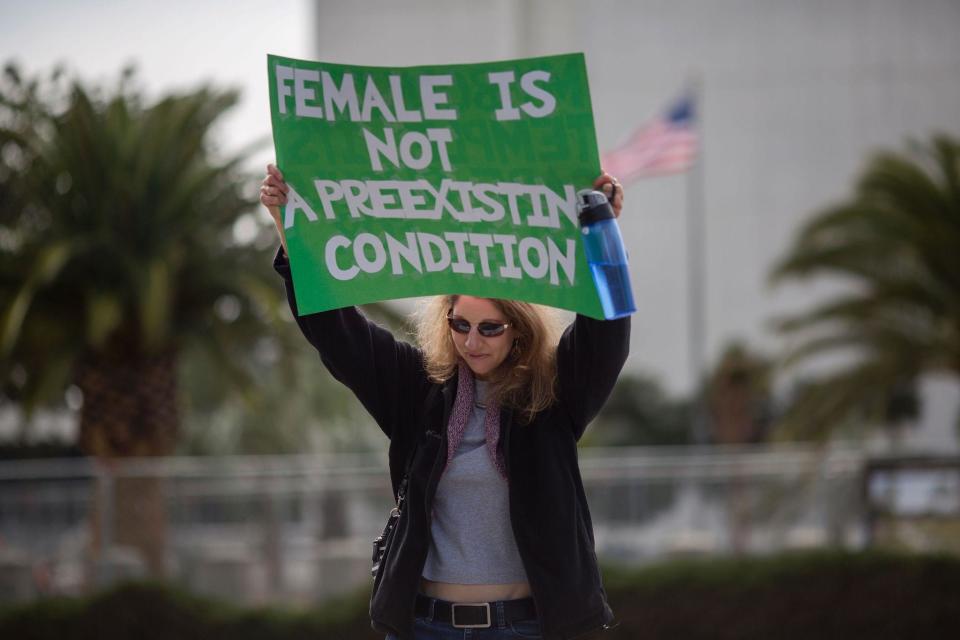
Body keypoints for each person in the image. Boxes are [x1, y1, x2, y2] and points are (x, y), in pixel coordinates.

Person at [260, 165, 629, 640]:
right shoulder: (416, 390)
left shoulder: (553, 395)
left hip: (526, 629)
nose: (471, 341)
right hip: (424, 626)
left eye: (489, 328)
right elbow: (337, 330)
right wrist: (288, 225)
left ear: (519, 328)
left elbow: (608, 332)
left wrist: (602, 232)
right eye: (459, 324)